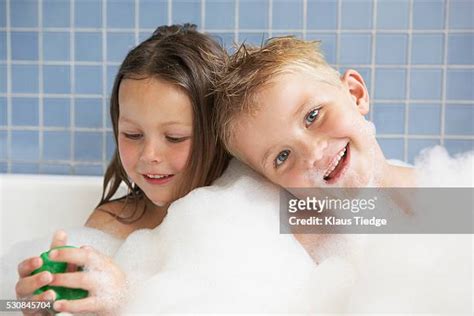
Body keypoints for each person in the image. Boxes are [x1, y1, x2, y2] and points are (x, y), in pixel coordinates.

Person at [14, 24, 230, 314]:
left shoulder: (249, 212)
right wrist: (34, 307)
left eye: (175, 138)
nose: (150, 155)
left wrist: (127, 300)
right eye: (132, 134)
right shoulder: (112, 224)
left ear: (218, 135)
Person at [215, 36, 416, 190]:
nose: (312, 153)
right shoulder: (287, 240)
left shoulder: (441, 185)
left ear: (356, 94)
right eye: (282, 156)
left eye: (312, 116)